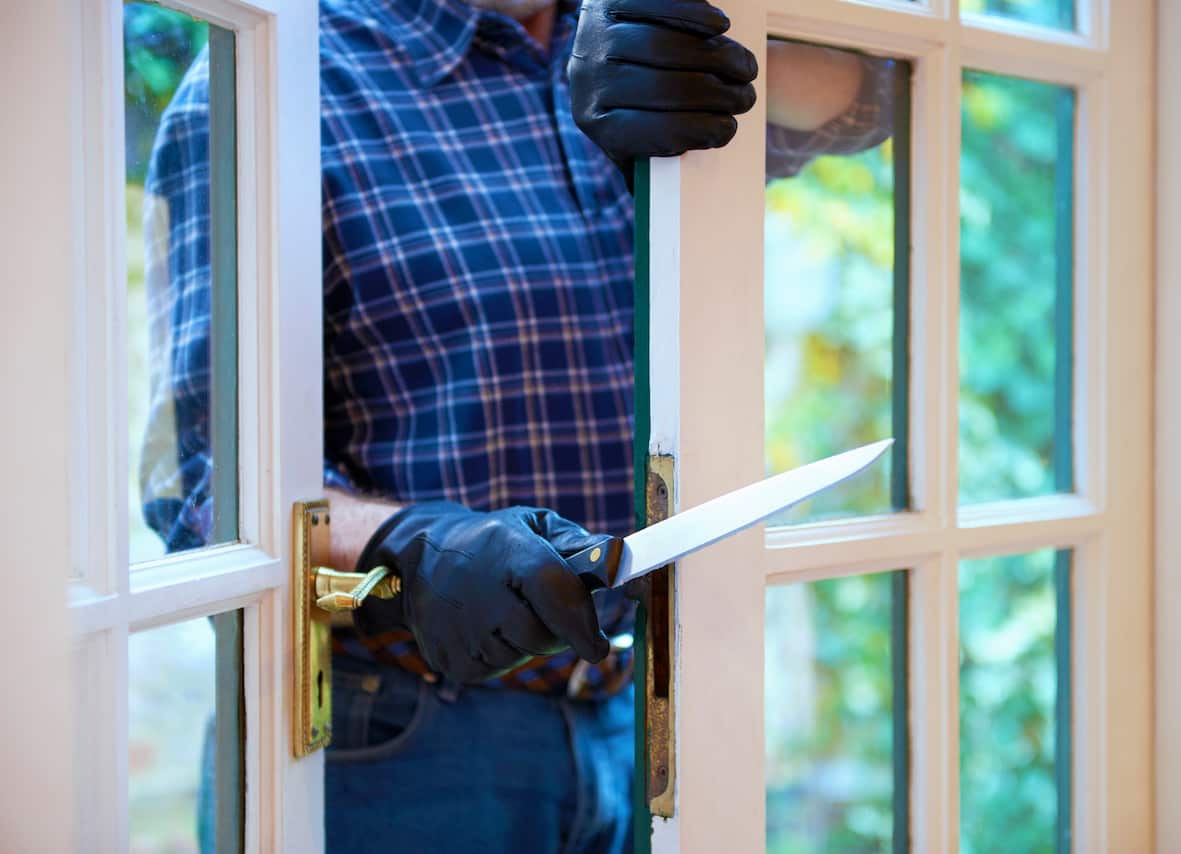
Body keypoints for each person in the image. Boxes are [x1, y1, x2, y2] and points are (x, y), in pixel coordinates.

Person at [141, 0, 895, 850]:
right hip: (392, 747)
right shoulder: (266, 85)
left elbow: (881, 95)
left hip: (641, 717)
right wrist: (409, 547)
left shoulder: (641, 37)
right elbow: (199, 479)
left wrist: (726, 52)